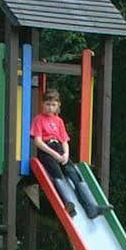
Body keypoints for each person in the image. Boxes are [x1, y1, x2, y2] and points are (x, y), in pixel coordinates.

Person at [30, 88, 100, 217]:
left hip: (60, 150)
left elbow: (64, 140)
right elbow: (38, 142)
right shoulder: (38, 119)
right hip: (47, 150)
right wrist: (54, 154)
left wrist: (66, 154)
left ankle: (91, 207)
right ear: (43, 104)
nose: (50, 108)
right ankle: (68, 204)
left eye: (53, 105)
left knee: (74, 173)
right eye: (47, 104)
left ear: (58, 106)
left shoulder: (59, 121)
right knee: (57, 174)